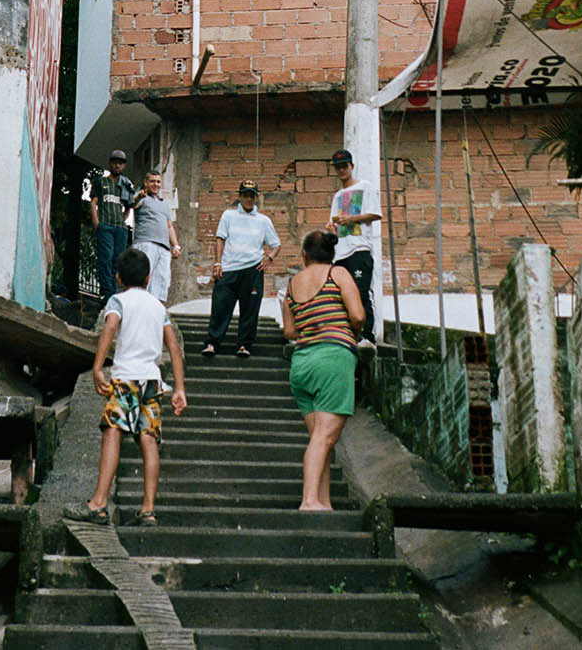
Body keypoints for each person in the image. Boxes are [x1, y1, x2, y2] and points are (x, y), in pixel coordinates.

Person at [67, 247, 188, 526]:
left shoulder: (118, 301)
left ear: (119, 277)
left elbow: (109, 329)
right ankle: (148, 509)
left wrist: (97, 367)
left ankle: (98, 503)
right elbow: (173, 346)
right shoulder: (159, 308)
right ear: (148, 278)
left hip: (125, 379)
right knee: (149, 439)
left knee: (112, 432)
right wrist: (179, 387)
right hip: (152, 381)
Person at [280, 229, 365, 511]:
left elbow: (290, 331)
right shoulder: (338, 274)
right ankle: (309, 500)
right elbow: (357, 315)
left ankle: (323, 502)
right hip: (333, 357)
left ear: (304, 255)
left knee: (320, 439)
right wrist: (350, 332)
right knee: (324, 438)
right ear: (331, 254)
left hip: (302, 362)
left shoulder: (292, 284)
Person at [201, 179, 278, 359]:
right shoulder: (228, 215)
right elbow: (220, 238)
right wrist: (217, 263)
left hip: (253, 269)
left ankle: (244, 344)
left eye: (252, 195)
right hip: (229, 268)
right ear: (240, 196)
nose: (248, 199)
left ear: (257, 197)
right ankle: (212, 342)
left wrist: (270, 258)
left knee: (250, 309)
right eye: (245, 195)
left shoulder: (263, 221)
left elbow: (276, 244)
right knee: (220, 306)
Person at [327, 149, 382, 349]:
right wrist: (331, 228)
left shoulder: (365, 187)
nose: (342, 170)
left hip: (359, 248)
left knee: (361, 292)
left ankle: (368, 337)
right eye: (338, 167)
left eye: (345, 166)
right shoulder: (337, 196)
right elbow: (334, 222)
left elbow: (376, 214)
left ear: (351, 166)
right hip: (341, 252)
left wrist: (352, 219)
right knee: (341, 295)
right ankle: (348, 336)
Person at [86, 150, 136, 304]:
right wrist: (97, 223)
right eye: (115, 162)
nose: (117, 165)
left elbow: (129, 206)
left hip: (120, 228)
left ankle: (115, 293)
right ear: (110, 163)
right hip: (105, 226)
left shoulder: (126, 184)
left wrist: (123, 220)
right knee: (105, 259)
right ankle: (106, 294)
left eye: (120, 163)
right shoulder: (100, 181)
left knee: (118, 261)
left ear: (124, 165)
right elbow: (93, 203)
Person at [131, 168, 181, 303]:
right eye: (152, 181)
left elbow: (169, 225)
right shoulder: (141, 196)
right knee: (143, 279)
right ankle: (139, 309)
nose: (156, 184)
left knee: (162, 282)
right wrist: (139, 196)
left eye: (158, 182)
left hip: (164, 248)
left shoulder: (164, 203)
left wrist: (176, 245)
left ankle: (155, 311)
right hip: (145, 243)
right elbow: (133, 204)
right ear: (145, 182)